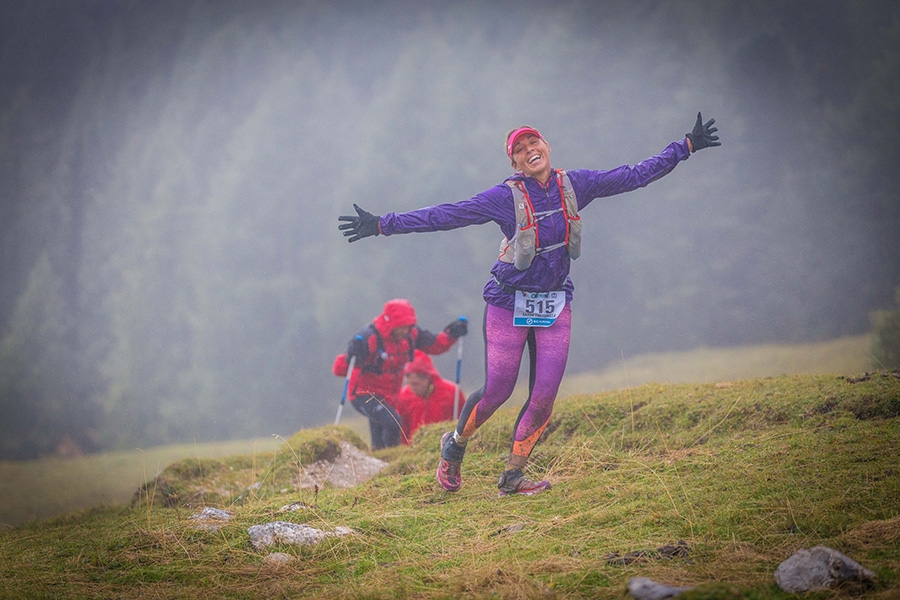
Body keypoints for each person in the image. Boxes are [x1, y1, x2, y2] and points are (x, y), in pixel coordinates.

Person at [338, 113, 720, 495]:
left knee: (544, 396)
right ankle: (454, 447)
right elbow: (446, 215)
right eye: (519, 150)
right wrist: (383, 224)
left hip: (554, 301)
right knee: (497, 391)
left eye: (533, 143)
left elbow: (634, 175)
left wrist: (684, 147)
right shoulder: (504, 197)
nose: (529, 151)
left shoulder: (576, 184)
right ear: (515, 163)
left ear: (546, 147)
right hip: (509, 301)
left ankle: (513, 476)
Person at [332, 299, 467, 450]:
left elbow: (435, 344)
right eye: (401, 327)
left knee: (380, 438)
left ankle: (382, 464)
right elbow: (340, 369)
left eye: (408, 327)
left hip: (388, 397)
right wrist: (352, 354)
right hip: (363, 393)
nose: (405, 331)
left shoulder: (411, 335)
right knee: (393, 423)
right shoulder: (370, 338)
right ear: (391, 324)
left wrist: (451, 334)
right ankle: (394, 458)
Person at [395, 350, 466, 446]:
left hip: (446, 446)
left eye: (416, 384)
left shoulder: (452, 392)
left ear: (427, 377)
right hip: (415, 448)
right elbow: (402, 429)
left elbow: (464, 421)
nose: (412, 388)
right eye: (409, 383)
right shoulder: (404, 395)